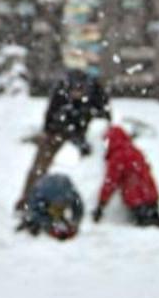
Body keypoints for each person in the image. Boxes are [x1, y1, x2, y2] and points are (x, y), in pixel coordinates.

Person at [16, 67, 110, 211]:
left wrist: (89, 135)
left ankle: (97, 204)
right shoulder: (60, 94)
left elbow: (105, 117)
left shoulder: (97, 92)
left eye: (80, 91)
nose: (77, 94)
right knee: (40, 165)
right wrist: (55, 132)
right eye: (74, 91)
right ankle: (27, 200)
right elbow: (49, 118)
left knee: (99, 164)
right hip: (59, 129)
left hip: (87, 131)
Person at [91, 124, 159, 227]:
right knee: (156, 223)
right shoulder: (135, 151)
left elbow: (110, 182)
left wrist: (101, 205)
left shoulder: (117, 156)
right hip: (151, 196)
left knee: (148, 226)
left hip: (137, 200)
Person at [17, 171, 84, 241]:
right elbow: (35, 211)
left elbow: (78, 207)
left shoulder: (70, 194)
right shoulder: (38, 195)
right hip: (42, 195)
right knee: (34, 221)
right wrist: (50, 228)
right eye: (57, 207)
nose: (60, 206)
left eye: (62, 206)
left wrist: (74, 223)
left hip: (58, 190)